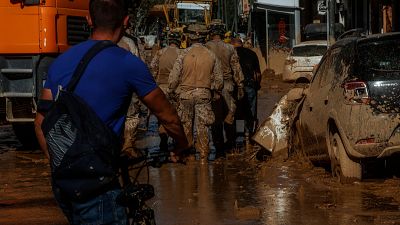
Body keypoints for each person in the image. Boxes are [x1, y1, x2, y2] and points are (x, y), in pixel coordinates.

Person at [34, 0, 189, 224]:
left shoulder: (60, 62)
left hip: (65, 186)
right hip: (98, 186)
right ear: (126, 22)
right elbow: (168, 117)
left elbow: (40, 122)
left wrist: (62, 164)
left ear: (88, 20)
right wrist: (181, 145)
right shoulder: (128, 63)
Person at [168, 24, 223, 164]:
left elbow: (173, 80)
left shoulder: (183, 54)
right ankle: (204, 157)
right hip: (204, 95)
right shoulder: (211, 55)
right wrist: (211, 88)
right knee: (203, 127)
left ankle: (189, 156)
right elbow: (219, 81)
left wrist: (172, 91)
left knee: (186, 126)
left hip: (185, 95)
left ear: (190, 37)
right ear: (205, 37)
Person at [205, 20, 244, 157]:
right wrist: (240, 86)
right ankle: (231, 145)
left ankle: (218, 147)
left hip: (211, 87)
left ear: (211, 32)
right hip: (228, 85)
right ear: (222, 33)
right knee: (229, 116)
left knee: (215, 119)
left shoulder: (206, 48)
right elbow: (237, 70)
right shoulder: (230, 48)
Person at [149, 32, 181, 152]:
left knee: (162, 115)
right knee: (175, 116)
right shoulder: (181, 53)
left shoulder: (160, 52)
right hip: (175, 89)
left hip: (161, 88)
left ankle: (163, 139)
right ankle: (175, 141)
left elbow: (153, 67)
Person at [231, 38, 261, 139]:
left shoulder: (232, 54)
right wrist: (257, 85)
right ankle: (250, 135)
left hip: (237, 87)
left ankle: (240, 137)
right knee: (251, 111)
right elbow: (257, 74)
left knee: (239, 112)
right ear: (242, 44)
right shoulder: (251, 53)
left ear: (232, 44)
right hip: (250, 85)